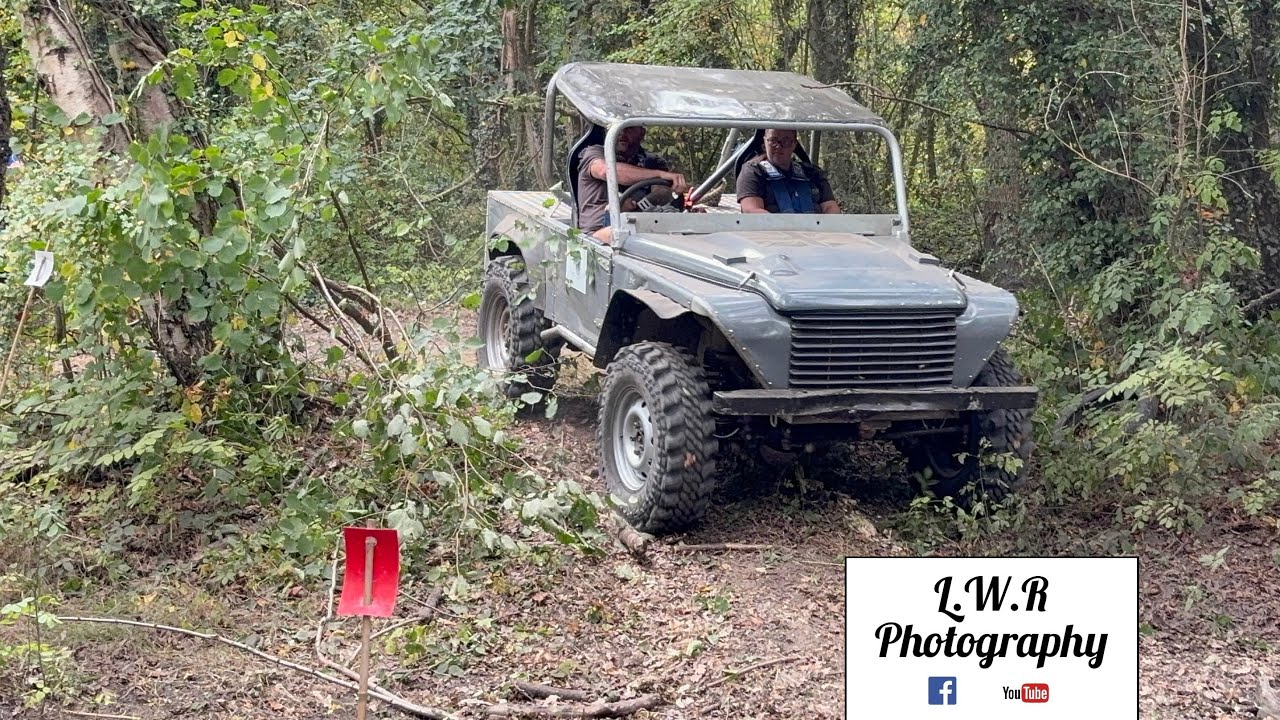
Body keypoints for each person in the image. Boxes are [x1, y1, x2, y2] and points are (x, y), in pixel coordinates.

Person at [576, 125, 690, 241]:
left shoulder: (652, 162)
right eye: (617, 128)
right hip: (596, 234)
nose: (622, 133)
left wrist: (638, 205)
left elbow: (663, 191)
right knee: (621, 236)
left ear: (641, 133)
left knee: (682, 232)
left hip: (643, 226)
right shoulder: (595, 153)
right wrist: (659, 174)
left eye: (629, 128)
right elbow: (607, 171)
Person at [735, 128, 840, 214]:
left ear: (794, 144)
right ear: (764, 142)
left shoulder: (812, 172)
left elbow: (831, 208)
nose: (778, 146)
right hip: (771, 236)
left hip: (816, 235)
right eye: (773, 140)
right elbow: (751, 210)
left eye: (786, 142)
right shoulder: (752, 172)